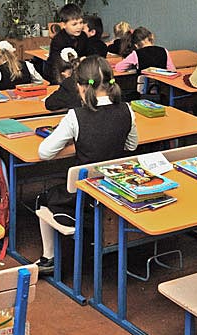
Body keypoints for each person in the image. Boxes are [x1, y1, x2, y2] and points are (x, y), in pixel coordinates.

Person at [34, 56, 139, 274]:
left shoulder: (75, 116)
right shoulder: (127, 110)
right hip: (115, 187)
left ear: (81, 87)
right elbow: (131, 146)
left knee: (44, 198)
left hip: (86, 195)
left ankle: (49, 257)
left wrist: (73, 139)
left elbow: (44, 153)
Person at [46, 3, 87, 82]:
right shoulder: (58, 40)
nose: (79, 27)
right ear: (64, 25)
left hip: (79, 73)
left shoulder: (83, 36)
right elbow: (55, 63)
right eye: (74, 24)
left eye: (81, 22)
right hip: (58, 75)